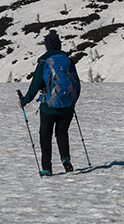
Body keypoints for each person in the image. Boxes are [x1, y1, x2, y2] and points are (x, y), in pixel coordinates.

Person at [18, 29, 81, 176]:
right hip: (67, 107)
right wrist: (72, 102)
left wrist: (24, 101)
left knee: (45, 135)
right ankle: (65, 159)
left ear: (48, 46)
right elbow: (76, 83)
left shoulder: (44, 62)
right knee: (62, 133)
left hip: (48, 108)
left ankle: (47, 168)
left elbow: (35, 86)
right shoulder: (68, 61)